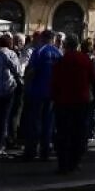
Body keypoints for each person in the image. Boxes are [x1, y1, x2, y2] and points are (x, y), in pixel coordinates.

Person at [50, 34, 92, 173]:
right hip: (81, 101)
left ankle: (63, 164)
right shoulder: (85, 59)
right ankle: (75, 162)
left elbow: (55, 81)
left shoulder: (62, 60)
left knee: (63, 134)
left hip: (64, 102)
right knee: (78, 133)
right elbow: (93, 79)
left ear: (66, 45)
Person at [21, 30, 61, 161]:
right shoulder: (58, 53)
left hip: (37, 92)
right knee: (48, 123)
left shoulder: (39, 51)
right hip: (52, 93)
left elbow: (31, 71)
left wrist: (26, 86)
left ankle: (31, 151)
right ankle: (45, 152)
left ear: (43, 38)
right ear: (53, 39)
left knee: (34, 122)